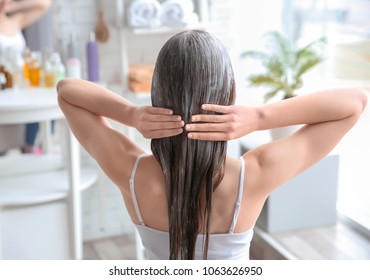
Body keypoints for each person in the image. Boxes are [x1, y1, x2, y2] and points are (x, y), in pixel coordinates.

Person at [57, 30, 367, 260]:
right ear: (227, 93)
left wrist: (131, 115)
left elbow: (67, 91)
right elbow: (354, 102)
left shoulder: (132, 172)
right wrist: (259, 116)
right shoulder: (254, 175)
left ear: (159, 94)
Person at [0, 0, 52, 154]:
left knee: (46, 101)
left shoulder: (15, 21)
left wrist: (14, 6)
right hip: (4, 87)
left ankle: (30, 145)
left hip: (23, 83)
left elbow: (45, 4)